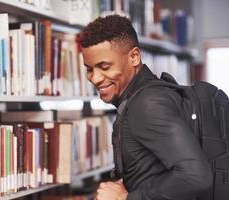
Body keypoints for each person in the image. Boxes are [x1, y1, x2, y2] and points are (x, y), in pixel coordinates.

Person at [79, 14, 213, 200]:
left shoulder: (147, 104)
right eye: (89, 69)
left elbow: (196, 176)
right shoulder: (137, 99)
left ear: (134, 57)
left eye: (105, 66)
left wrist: (124, 198)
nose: (95, 78)